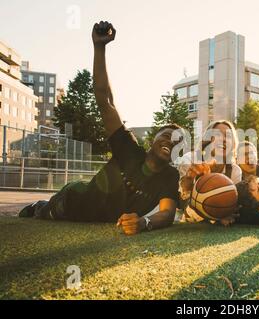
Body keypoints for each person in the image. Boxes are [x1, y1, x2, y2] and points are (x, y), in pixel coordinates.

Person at [19, 21, 181, 236]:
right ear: (153, 139)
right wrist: (99, 48)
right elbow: (105, 101)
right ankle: (39, 205)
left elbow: (167, 213)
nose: (172, 141)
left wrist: (144, 223)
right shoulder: (129, 150)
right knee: (42, 212)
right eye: (167, 135)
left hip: (101, 218)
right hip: (72, 203)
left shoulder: (169, 176)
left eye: (179, 141)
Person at [176, 120, 242, 223]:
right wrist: (189, 180)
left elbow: (233, 206)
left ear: (233, 144)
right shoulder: (189, 159)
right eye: (218, 135)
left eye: (228, 136)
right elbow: (181, 203)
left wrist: (226, 212)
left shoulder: (234, 171)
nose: (224, 139)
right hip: (190, 226)